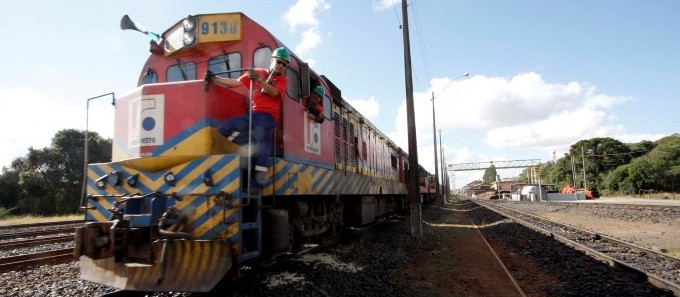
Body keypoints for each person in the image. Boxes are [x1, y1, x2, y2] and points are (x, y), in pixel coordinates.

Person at [205, 47, 290, 189]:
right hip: (253, 113)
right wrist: (215, 79)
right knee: (225, 128)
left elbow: (274, 93)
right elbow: (236, 82)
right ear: (272, 60)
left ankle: (257, 183)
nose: (281, 66)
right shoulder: (257, 72)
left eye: (284, 64)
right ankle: (251, 146)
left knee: (263, 147)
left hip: (267, 116)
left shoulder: (283, 80)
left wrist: (260, 81)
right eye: (279, 62)